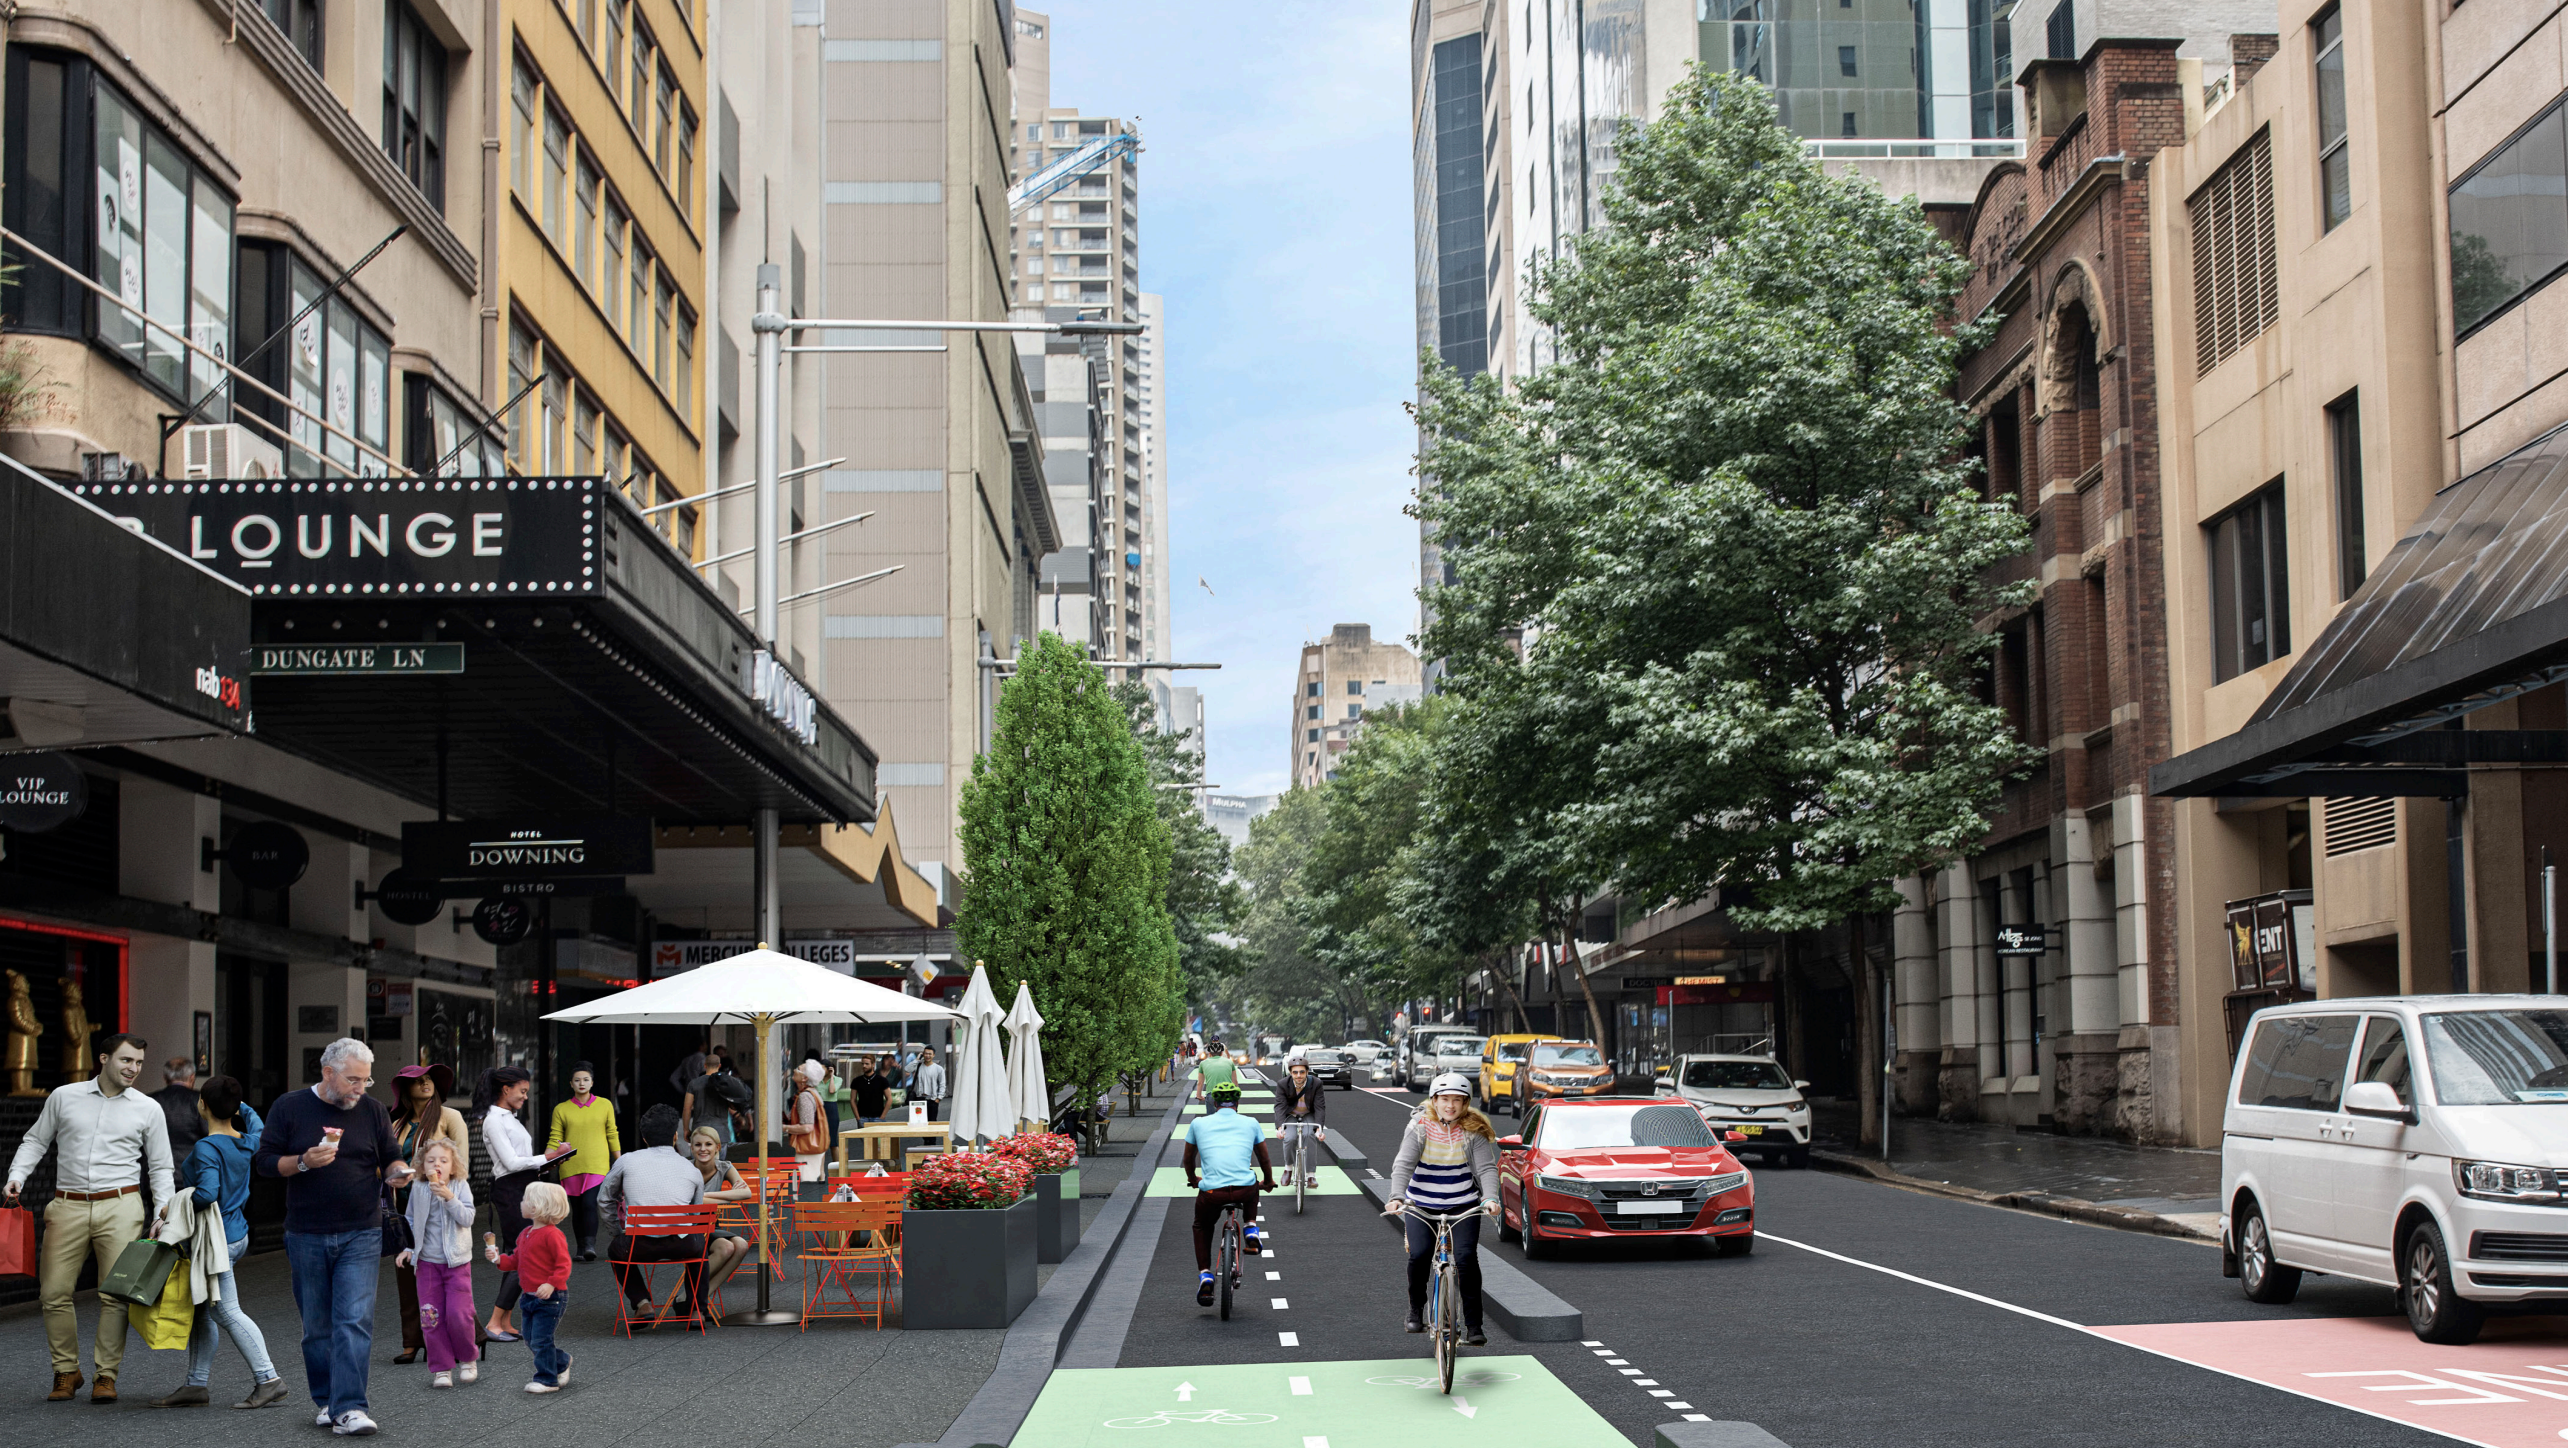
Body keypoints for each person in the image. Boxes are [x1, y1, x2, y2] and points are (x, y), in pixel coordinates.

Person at [253, 1037, 414, 1436]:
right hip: (306, 1231)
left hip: (362, 1229)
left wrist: (397, 1171)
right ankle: (326, 1399)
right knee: (317, 1327)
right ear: (327, 1073)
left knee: (354, 1319)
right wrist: (304, 1161)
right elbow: (265, 1163)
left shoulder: (374, 1111)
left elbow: (389, 1153)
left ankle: (351, 1407)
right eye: (353, 1080)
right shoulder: (289, 1107)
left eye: (366, 1080)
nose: (361, 1088)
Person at [4, 1030, 173, 1403]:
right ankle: (66, 1371)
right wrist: (17, 1177)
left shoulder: (147, 1107)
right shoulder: (64, 1097)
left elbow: (161, 1166)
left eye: (139, 1063)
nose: (133, 1068)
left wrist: (164, 1210)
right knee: (53, 1292)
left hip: (121, 1205)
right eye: (126, 1060)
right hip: (67, 1205)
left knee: (114, 1295)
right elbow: (35, 1140)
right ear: (103, 1058)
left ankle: (106, 1375)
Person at [157, 1074, 286, 1409]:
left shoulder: (206, 1147)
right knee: (202, 1309)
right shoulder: (247, 1140)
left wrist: (174, 1204)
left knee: (226, 1310)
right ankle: (195, 1385)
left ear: (202, 1105)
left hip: (216, 1241)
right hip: (236, 1233)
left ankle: (268, 1378)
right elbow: (258, 1125)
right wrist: (237, 1102)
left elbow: (207, 1193)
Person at [1382, 1073, 1501, 1346]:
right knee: (1420, 1255)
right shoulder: (1420, 1126)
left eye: (1457, 1100)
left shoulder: (1473, 1130)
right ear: (1434, 1100)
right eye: (1445, 1099)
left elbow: (1485, 1169)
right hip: (1421, 1204)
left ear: (1466, 1103)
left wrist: (1490, 1198)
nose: (1451, 1105)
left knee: (1466, 1259)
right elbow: (1403, 1164)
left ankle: (1474, 1325)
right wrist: (1397, 1197)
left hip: (1463, 1203)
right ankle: (1415, 1311)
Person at [475, 1067, 573, 1343]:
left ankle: (504, 1321)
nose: (525, 1097)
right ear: (505, 1089)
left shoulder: (509, 1119)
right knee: (524, 1253)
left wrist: (549, 1160)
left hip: (521, 1185)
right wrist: (548, 1156)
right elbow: (512, 1163)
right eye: (522, 1091)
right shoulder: (494, 1120)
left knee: (516, 1252)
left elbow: (522, 1159)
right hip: (510, 1188)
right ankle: (494, 1322)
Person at [388, 1063, 466, 1365]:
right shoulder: (399, 1124)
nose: (425, 1084)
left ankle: (466, 1336)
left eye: (429, 1079)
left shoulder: (450, 1117)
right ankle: (411, 1341)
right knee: (406, 1277)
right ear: (406, 1089)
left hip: (439, 1207)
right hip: (404, 1208)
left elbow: (462, 1166)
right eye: (417, 1081)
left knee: (444, 1278)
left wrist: (452, 1200)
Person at [599, 1106, 710, 1318]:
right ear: (675, 1136)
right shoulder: (691, 1170)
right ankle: (697, 1310)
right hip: (682, 1244)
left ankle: (642, 1302)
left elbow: (604, 1198)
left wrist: (616, 1232)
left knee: (615, 1248)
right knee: (700, 1249)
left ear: (644, 1138)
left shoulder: (626, 1160)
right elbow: (695, 1214)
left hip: (637, 1245)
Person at [1179, 1080, 1275, 1306]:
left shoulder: (1198, 1124)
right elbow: (1264, 1158)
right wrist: (1268, 1181)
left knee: (1201, 1226)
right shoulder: (1251, 1122)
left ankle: (1205, 1274)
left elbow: (1188, 1159)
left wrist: (1193, 1180)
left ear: (1213, 1102)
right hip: (1243, 1190)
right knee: (1251, 1182)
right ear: (1237, 1103)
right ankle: (1251, 1226)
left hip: (1212, 1192)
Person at [394, 1136, 478, 1388]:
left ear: (453, 1166)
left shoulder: (460, 1185)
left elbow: (468, 1218)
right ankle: (441, 1368)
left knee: (458, 1314)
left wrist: (449, 1197)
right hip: (427, 1263)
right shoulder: (419, 1188)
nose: (437, 1165)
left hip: (457, 1263)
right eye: (430, 1161)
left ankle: (467, 1359)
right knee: (430, 1317)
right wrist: (407, 1248)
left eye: (443, 1160)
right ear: (421, 1166)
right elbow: (410, 1220)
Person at [486, 1182, 573, 1393]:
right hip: (529, 1296)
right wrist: (499, 1259)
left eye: (525, 1199)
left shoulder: (553, 1235)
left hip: (551, 1297)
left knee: (541, 1339)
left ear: (536, 1207)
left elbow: (564, 1264)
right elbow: (517, 1260)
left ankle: (547, 1380)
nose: (521, 1203)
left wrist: (551, 1283)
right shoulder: (526, 1233)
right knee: (532, 1339)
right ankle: (561, 1361)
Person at [546, 1062, 621, 1261]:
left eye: (586, 1080)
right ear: (571, 1084)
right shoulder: (561, 1109)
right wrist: (546, 1159)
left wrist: (620, 1162)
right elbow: (555, 1138)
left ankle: (590, 1245)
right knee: (577, 1207)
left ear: (592, 1082)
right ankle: (580, 1248)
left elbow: (612, 1133)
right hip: (570, 1165)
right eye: (577, 1080)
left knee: (589, 1203)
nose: (582, 1083)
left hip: (597, 1164)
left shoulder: (604, 1104)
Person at [686, 1125, 755, 1304]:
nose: (703, 1149)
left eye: (708, 1144)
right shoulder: (685, 1168)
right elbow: (688, 1203)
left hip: (709, 1226)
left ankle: (701, 1295)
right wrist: (726, 1198)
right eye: (698, 1145)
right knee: (726, 1248)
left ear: (717, 1147)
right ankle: (690, 1294)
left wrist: (705, 1196)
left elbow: (745, 1193)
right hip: (687, 1227)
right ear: (691, 1148)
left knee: (741, 1245)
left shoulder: (724, 1167)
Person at [1276, 1055, 1327, 1188]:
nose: (1298, 1075)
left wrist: (1319, 1129)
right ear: (1290, 1072)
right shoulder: (1283, 1084)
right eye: (1295, 1072)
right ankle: (1288, 1168)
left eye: (1302, 1072)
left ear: (1307, 1072)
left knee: (1309, 1135)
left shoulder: (1316, 1084)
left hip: (1308, 1114)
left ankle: (1311, 1176)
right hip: (1291, 1115)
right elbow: (1280, 1107)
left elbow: (1319, 1107)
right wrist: (1280, 1127)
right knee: (1290, 1138)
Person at [151, 1057, 205, 1160]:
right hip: (192, 1167)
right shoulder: (200, 1100)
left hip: (156, 1168)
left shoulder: (150, 1101)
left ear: (165, 1078)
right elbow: (212, 1135)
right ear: (192, 1077)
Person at [789, 1060, 830, 1185]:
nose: (795, 1070)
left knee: (802, 1188)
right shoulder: (814, 1093)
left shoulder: (805, 1096)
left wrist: (784, 1128)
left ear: (804, 1078)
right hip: (814, 1153)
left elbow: (807, 1127)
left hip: (807, 1153)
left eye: (798, 1069)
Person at [668, 1041, 708, 1110]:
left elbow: (673, 1078)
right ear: (701, 1046)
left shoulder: (687, 1060)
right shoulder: (704, 1060)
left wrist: (683, 1091)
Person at [911, 1047, 946, 1122]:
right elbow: (907, 1069)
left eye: (930, 1054)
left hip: (932, 1099)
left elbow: (942, 1084)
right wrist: (917, 1059)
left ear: (933, 1055)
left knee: (932, 1122)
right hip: (919, 1099)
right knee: (917, 1121)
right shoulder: (918, 1066)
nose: (927, 1055)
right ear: (923, 1054)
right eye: (926, 1053)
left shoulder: (939, 1068)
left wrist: (939, 1098)